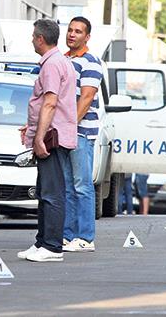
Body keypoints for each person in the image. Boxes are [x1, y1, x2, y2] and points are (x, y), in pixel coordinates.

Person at [18, 19, 77, 262]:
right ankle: (42, 242)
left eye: (34, 36)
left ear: (41, 39)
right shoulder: (58, 61)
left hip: (52, 137)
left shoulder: (52, 64)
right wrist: (32, 128)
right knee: (44, 192)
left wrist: (39, 137)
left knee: (52, 193)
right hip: (52, 134)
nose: (32, 40)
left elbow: (50, 102)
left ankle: (52, 247)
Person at [62, 16, 103, 253]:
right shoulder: (65, 59)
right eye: (70, 30)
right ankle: (67, 236)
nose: (72, 34)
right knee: (67, 186)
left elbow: (86, 98)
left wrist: (70, 126)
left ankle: (86, 237)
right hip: (65, 131)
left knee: (82, 185)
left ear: (87, 37)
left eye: (78, 31)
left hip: (81, 132)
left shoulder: (91, 62)